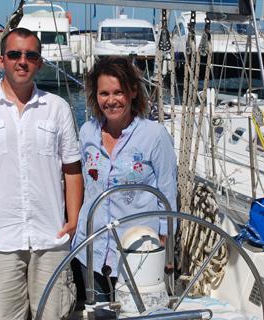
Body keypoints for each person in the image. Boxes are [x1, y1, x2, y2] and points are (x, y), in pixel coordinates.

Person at [0, 27, 83, 319]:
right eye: (14, 54)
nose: (22, 61)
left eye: (30, 55)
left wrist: (72, 221)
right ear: (1, 61)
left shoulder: (57, 108)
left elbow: (72, 170)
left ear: (39, 62)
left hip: (50, 238)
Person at [71, 56, 177, 302]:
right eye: (103, 93)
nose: (111, 101)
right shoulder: (87, 132)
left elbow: (167, 192)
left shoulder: (154, 135)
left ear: (132, 92)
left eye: (118, 92)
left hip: (139, 252)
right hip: (92, 249)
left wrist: (164, 243)